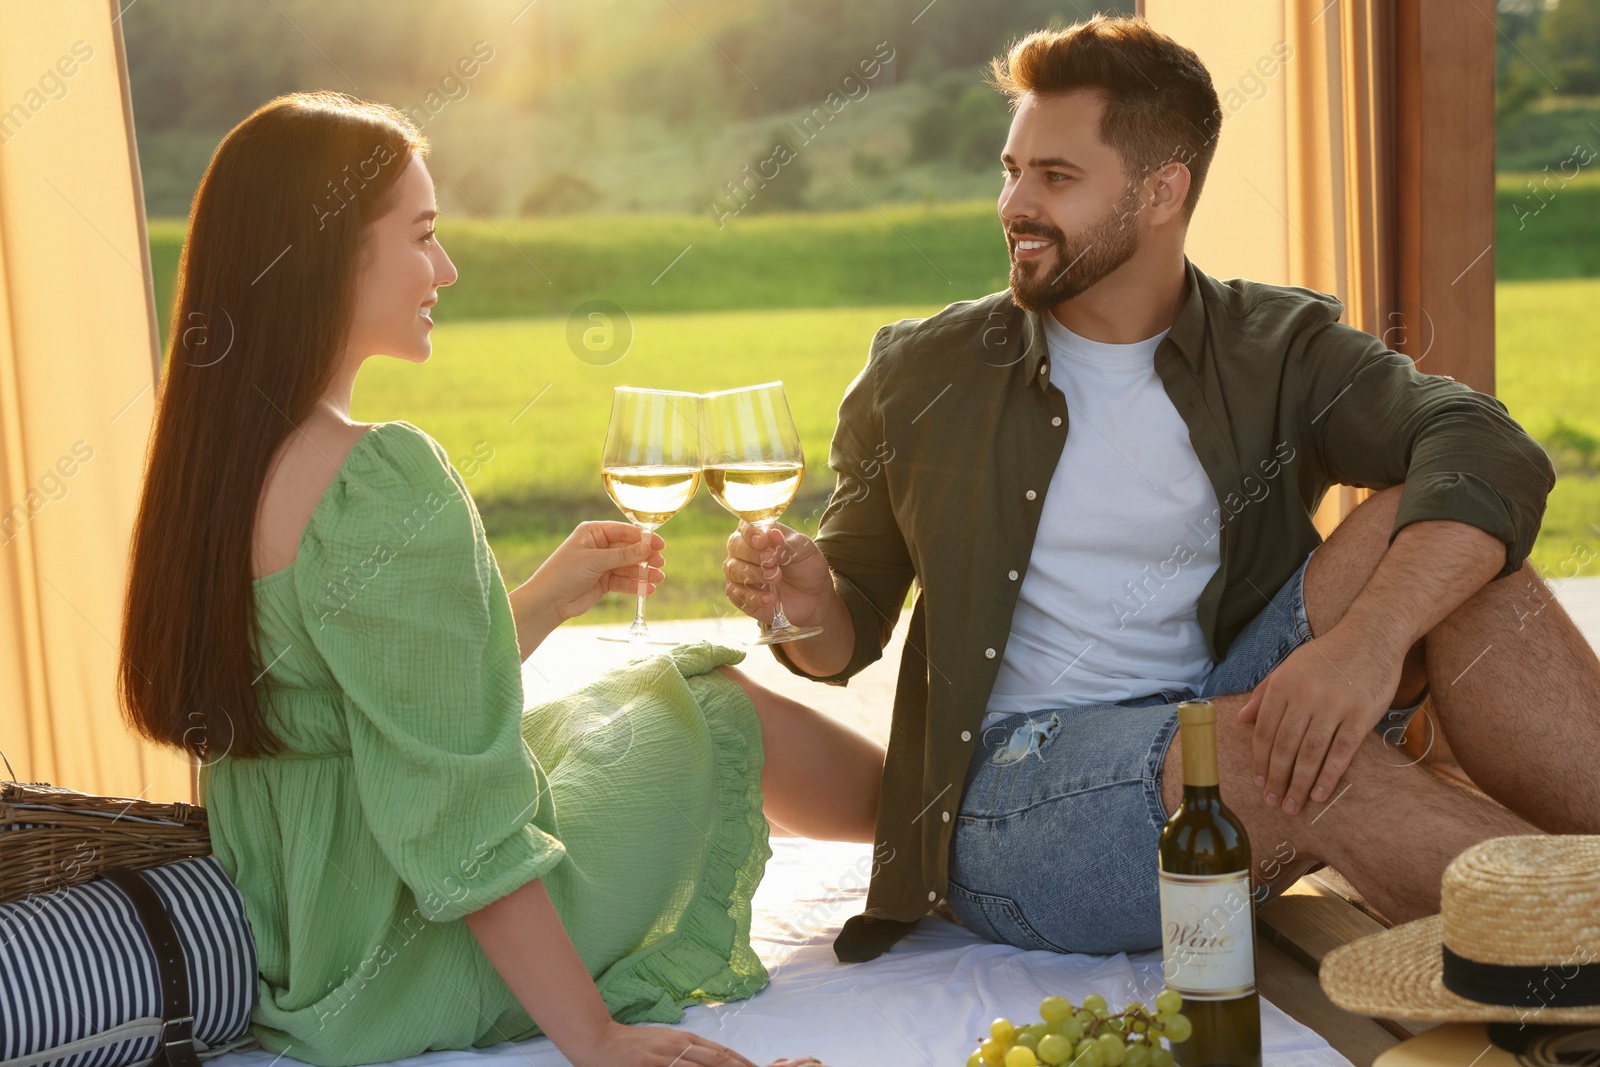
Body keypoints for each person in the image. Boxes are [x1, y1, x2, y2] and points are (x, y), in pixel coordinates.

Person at [724, 15, 1600, 965]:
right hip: (1018, 793)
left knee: (1447, 536)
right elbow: (841, 630)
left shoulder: (1275, 346)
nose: (1016, 202)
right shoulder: (922, 369)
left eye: (1055, 178)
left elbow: (1488, 444)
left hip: (1215, 704)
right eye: (1012, 170)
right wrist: (802, 606)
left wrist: (1366, 645)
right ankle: (1570, 924)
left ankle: (1551, 903)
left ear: (1160, 190)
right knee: (1279, 764)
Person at [117, 91, 885, 1067]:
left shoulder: (214, 468)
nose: (446, 267)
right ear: (329, 254)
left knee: (594, 713)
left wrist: (539, 602)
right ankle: (940, 840)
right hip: (412, 952)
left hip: (311, 942)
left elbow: (371, 698)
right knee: (700, 691)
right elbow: (459, 808)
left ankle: (936, 831)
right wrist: (594, 1036)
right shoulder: (378, 477)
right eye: (422, 234)